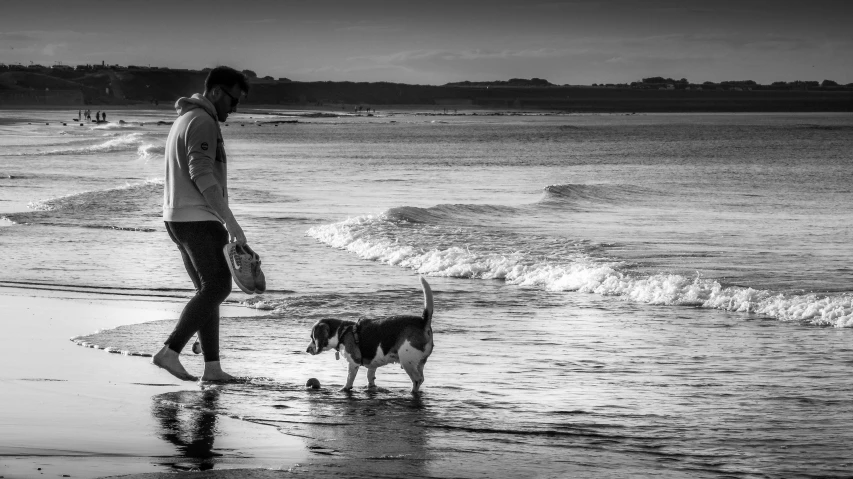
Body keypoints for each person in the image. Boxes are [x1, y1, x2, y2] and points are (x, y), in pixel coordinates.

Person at [152, 66, 249, 382]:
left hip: (178, 218)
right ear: (218, 91)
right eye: (233, 100)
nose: (234, 109)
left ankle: (212, 368)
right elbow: (202, 175)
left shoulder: (185, 119)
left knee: (209, 291)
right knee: (219, 286)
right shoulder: (202, 121)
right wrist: (232, 224)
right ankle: (170, 351)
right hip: (198, 218)